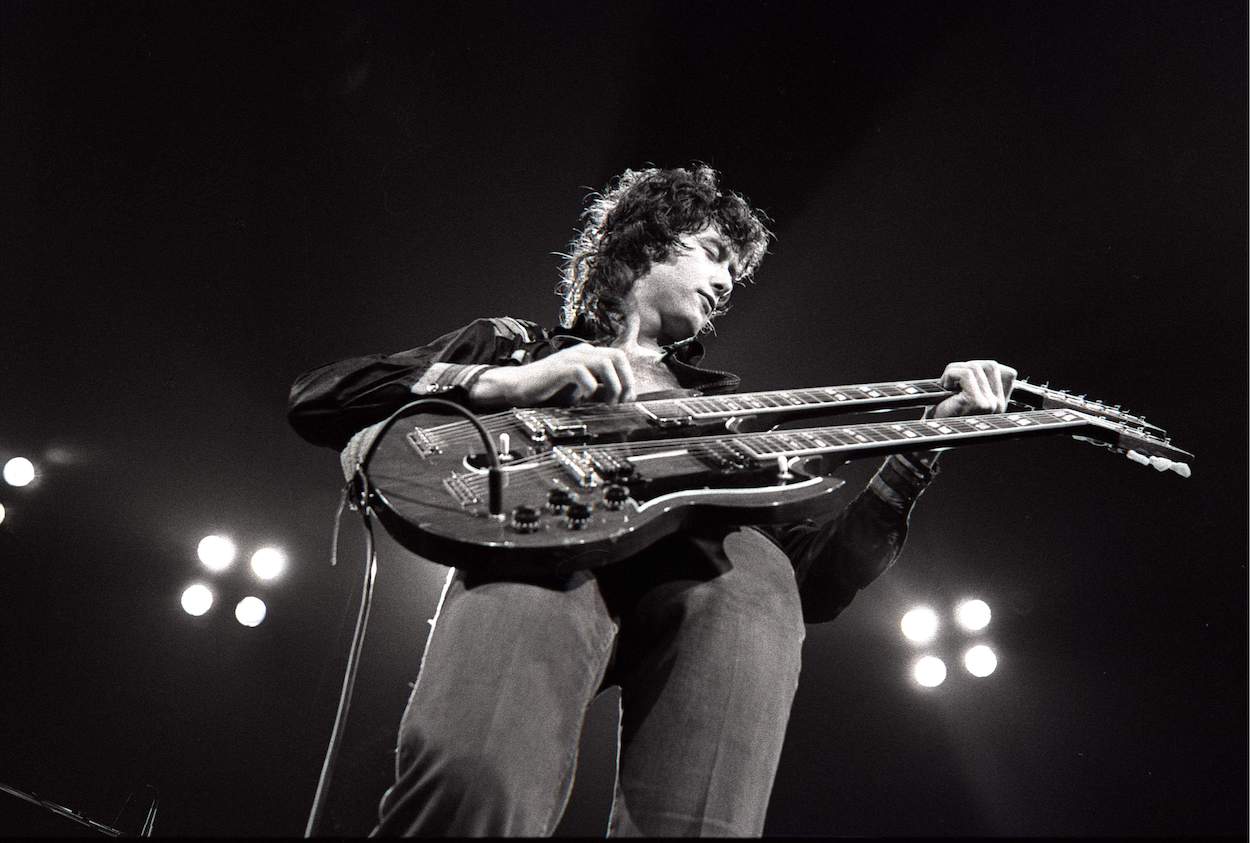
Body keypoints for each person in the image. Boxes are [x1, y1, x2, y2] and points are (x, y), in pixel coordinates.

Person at [287, 164, 1016, 837]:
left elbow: (816, 579)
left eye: (737, 272)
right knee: (473, 781)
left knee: (753, 611)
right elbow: (322, 398)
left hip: (714, 580)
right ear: (641, 245)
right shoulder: (519, 344)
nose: (727, 282)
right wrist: (508, 385)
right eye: (710, 253)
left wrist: (918, 452)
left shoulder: (731, 417)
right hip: (541, 551)